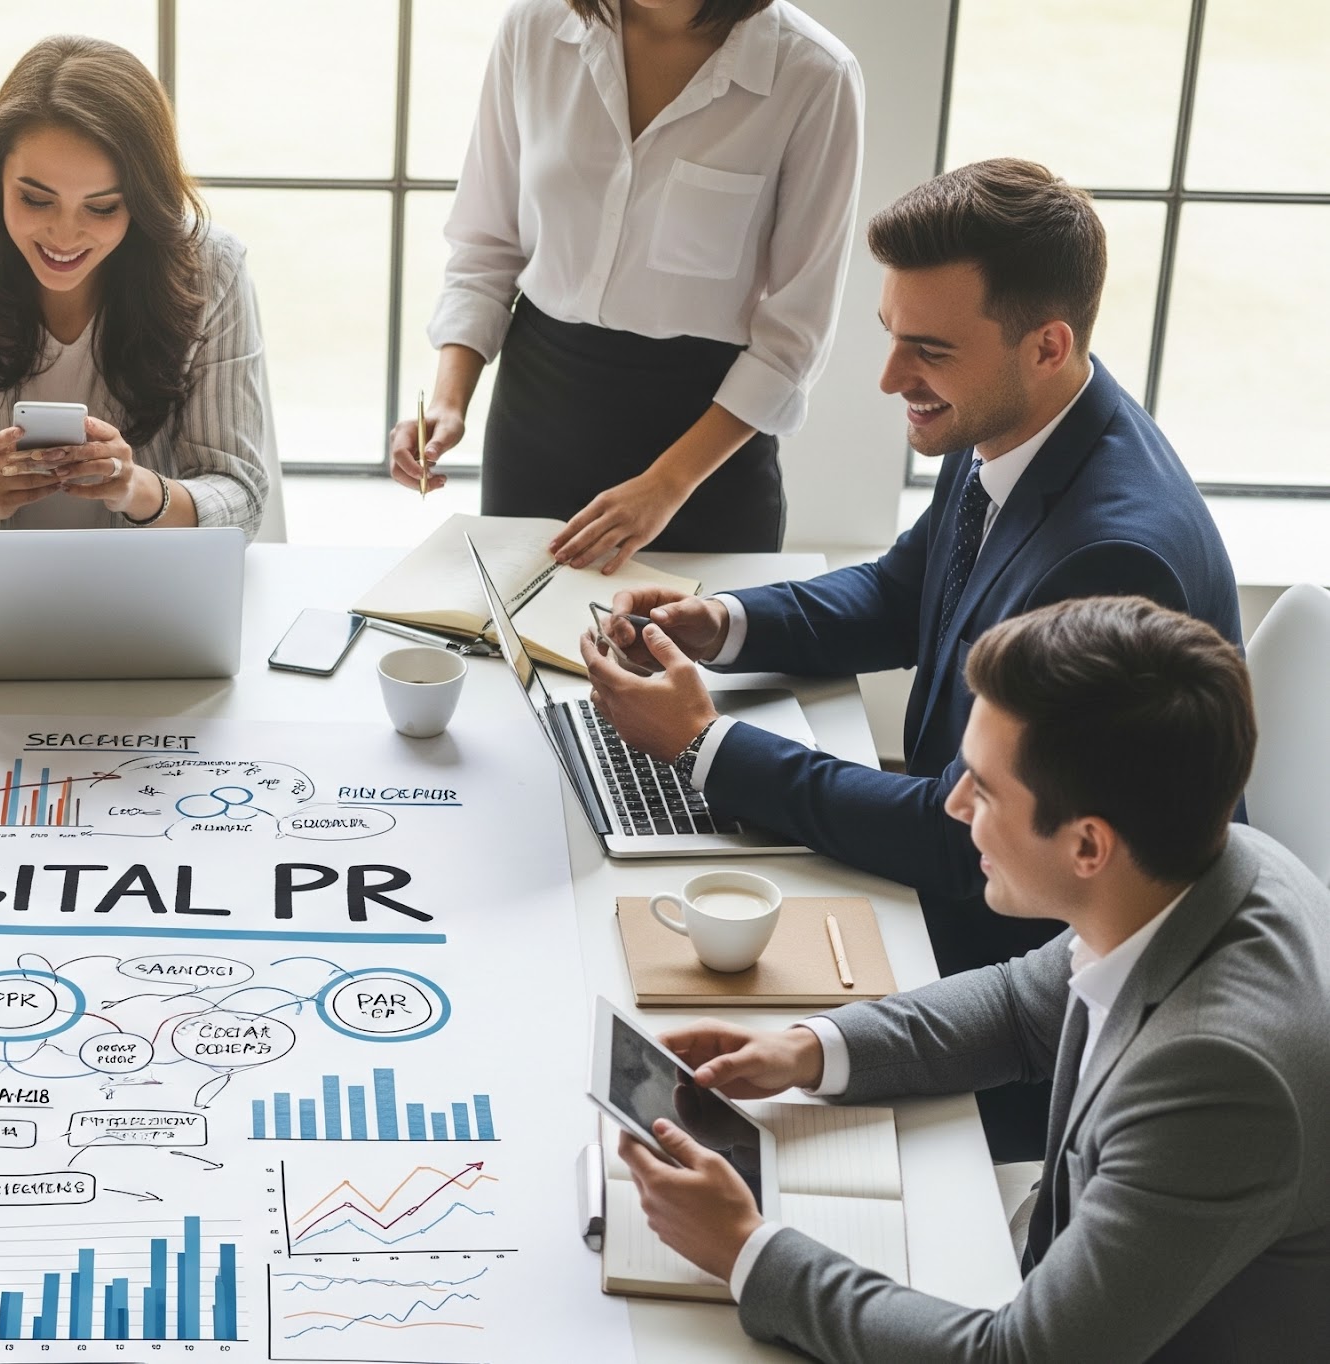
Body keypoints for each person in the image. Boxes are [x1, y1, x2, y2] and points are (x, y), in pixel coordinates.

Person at [579, 159, 1237, 1157]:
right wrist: (717, 620)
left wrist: (704, 744)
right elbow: (899, 591)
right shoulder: (1022, 424)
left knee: (629, 989)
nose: (890, 379)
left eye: (926, 349)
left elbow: (956, 835)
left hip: (1002, 978)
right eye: (890, 337)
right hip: (951, 900)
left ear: (1047, 344)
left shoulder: (1110, 555)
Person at [617, 597, 1330, 1362]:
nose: (954, 806)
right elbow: (1020, 1010)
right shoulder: (1213, 861)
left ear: (1089, 845)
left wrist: (746, 1251)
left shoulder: (1217, 1078)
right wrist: (805, 1048)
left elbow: (1018, 1358)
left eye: (983, 790)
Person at [392, 0, 863, 571]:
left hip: (703, 450)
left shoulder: (814, 74)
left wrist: (667, 484)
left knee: (683, 654)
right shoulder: (534, 29)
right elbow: (485, 248)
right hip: (535, 420)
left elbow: (795, 337)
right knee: (516, 650)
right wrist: (448, 401)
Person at [0, 35, 270, 561]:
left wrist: (137, 490)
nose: (64, 236)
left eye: (102, 208)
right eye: (35, 199)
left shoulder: (213, 268)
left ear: (143, 203)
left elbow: (242, 499)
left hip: (146, 591)